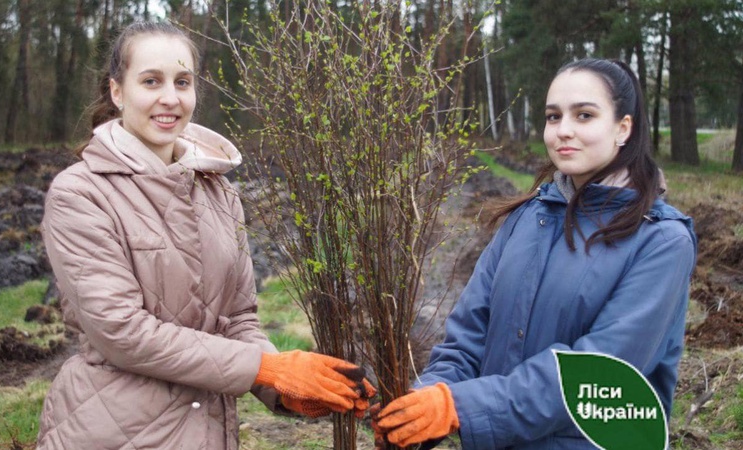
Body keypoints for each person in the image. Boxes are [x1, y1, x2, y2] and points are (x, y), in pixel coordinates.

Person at [36, 21, 373, 449]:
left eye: (183, 82)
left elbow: (238, 318)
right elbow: (122, 333)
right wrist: (266, 369)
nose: (170, 98)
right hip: (117, 430)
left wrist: (283, 387)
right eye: (151, 81)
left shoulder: (219, 191)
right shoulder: (81, 193)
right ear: (117, 91)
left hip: (209, 431)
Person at [372, 58, 697, 449]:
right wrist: (425, 404)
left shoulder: (661, 241)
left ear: (622, 128)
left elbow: (600, 373)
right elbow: (467, 338)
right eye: (553, 116)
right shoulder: (525, 220)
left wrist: (459, 407)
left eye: (584, 115)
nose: (564, 131)